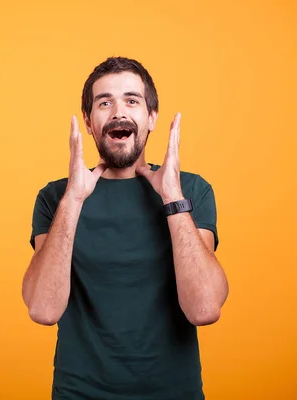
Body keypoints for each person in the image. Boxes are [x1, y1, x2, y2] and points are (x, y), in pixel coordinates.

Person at [22, 57, 229, 400]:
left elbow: (205, 308)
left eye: (132, 101)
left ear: (151, 117)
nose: (119, 112)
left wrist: (172, 197)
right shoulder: (56, 197)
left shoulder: (191, 191)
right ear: (89, 121)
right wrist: (74, 200)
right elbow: (43, 310)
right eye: (105, 103)